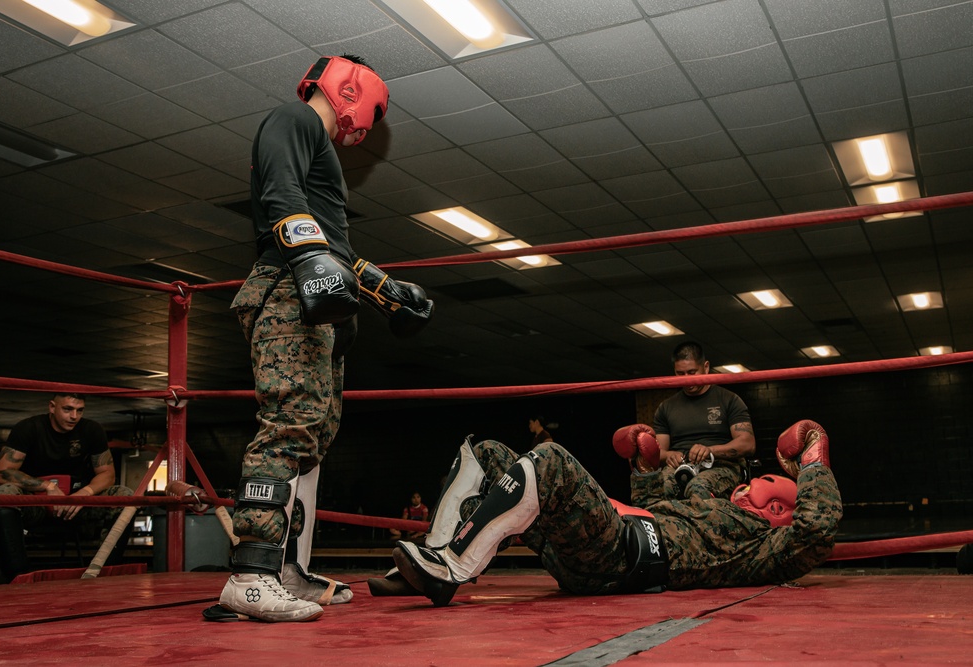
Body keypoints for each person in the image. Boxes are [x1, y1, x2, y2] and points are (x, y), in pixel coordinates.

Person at [215, 54, 434, 623]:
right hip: (289, 292)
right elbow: (280, 195)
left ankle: (286, 570)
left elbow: (335, 250)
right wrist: (311, 258)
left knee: (312, 433)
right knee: (289, 427)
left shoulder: (319, 147)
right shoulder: (295, 119)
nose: (366, 125)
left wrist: (388, 292)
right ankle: (250, 576)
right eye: (371, 111)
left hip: (318, 305)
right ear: (350, 88)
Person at [387, 420, 839, 607]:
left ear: (778, 508)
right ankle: (428, 557)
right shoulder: (711, 508)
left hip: (624, 560)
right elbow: (649, 506)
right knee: (487, 453)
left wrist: (815, 459)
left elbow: (817, 526)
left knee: (552, 458)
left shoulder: (767, 547)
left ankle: (453, 566)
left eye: (756, 487)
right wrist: (643, 465)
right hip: (600, 545)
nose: (744, 488)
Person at [0, 393, 134, 582]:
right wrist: (46, 486)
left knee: (125, 496)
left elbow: (108, 474)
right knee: (4, 494)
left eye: (79, 410)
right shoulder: (28, 428)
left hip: (75, 505)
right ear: (52, 407)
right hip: (36, 503)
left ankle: (104, 572)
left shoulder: (91, 430)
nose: (74, 416)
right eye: (67, 409)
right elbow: (2, 472)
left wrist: (83, 494)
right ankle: (18, 577)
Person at [647, 341, 755, 500]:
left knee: (698, 488)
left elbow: (748, 444)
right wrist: (669, 455)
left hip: (722, 465)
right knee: (658, 489)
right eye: (680, 373)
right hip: (681, 466)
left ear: (706, 367)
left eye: (692, 372)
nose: (686, 379)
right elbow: (659, 451)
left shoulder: (729, 399)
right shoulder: (666, 407)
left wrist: (710, 451)